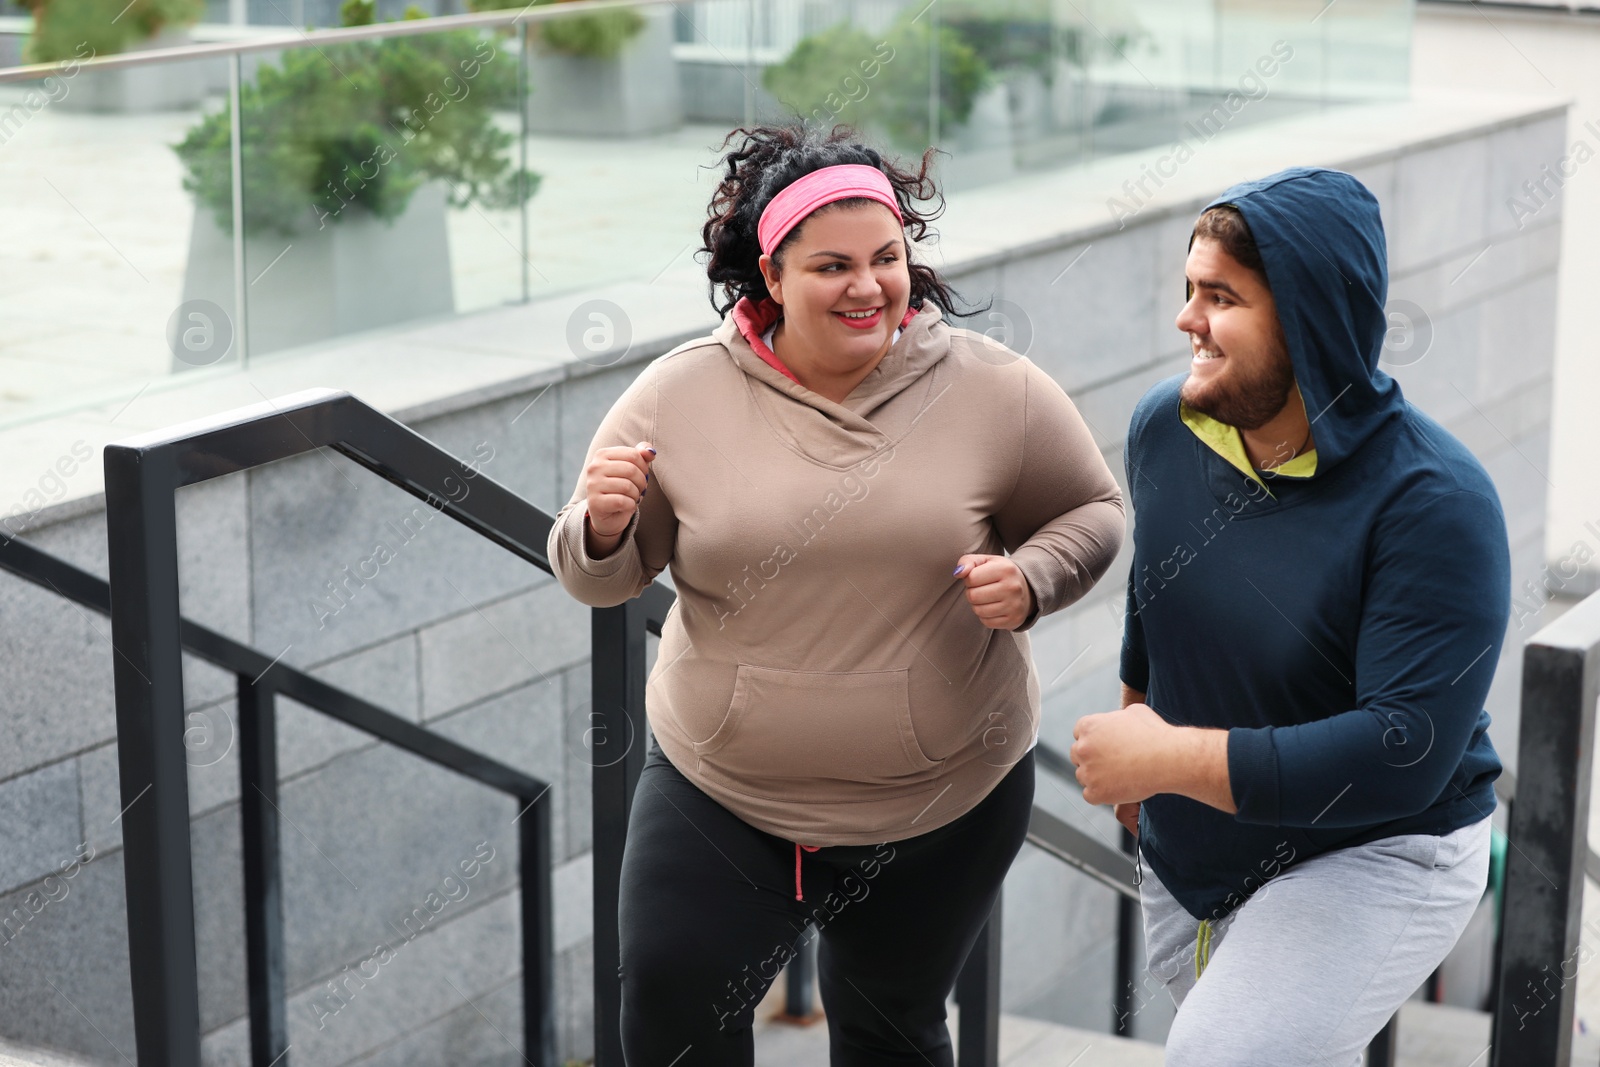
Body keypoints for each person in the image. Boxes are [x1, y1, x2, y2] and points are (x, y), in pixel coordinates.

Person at [547, 124, 1124, 1066]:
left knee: (890, 1032)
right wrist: (601, 527)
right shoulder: (675, 395)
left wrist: (1033, 578)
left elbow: (1092, 510)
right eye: (832, 266)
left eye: (887, 257)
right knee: (669, 1011)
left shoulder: (994, 391)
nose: (869, 285)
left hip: (941, 803)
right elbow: (597, 573)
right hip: (721, 789)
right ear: (771, 276)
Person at [1069, 166, 1508, 1064]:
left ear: (1309, 318)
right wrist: (1136, 728)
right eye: (1188, 289)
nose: (1188, 319)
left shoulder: (1435, 501)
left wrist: (1169, 757)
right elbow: (1155, 602)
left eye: (1221, 296)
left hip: (1382, 847)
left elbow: (1403, 751)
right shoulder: (1168, 428)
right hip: (1200, 846)